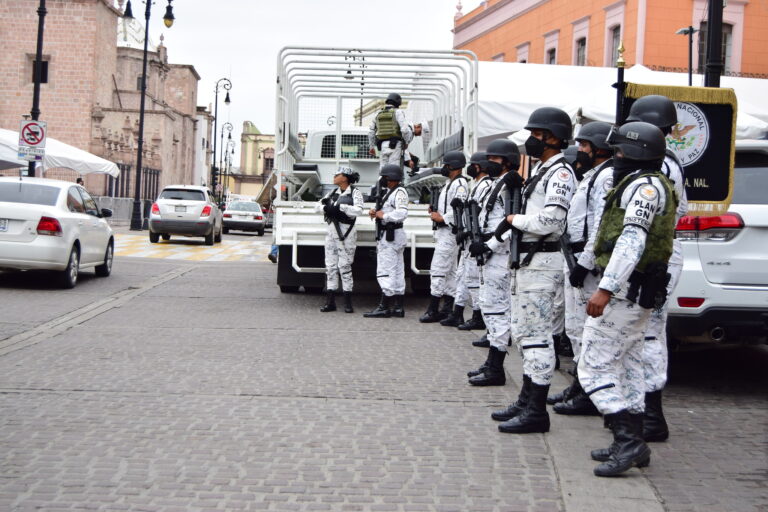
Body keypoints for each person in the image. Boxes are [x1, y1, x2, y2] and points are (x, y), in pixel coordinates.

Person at [579, 121, 677, 477]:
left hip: (626, 292)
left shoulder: (644, 190)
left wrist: (605, 288)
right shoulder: (647, 184)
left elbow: (631, 239)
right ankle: (633, 442)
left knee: (593, 365)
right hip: (637, 292)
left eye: (619, 151)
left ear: (634, 153)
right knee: (631, 365)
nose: (614, 157)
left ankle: (627, 439)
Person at [490, 107, 576, 435]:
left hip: (542, 262)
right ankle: (527, 399)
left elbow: (553, 220)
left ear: (553, 137)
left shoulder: (560, 174)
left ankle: (537, 410)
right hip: (529, 263)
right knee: (526, 334)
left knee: (538, 337)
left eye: (537, 135)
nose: (531, 141)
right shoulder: (544, 170)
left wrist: (515, 221)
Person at [624, 95, 688, 443]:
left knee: (650, 332)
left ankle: (652, 414)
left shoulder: (662, 164)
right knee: (640, 330)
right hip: (654, 251)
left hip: (659, 253)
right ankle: (639, 408)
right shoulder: (663, 161)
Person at [549, 121, 613, 416]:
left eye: (585, 146)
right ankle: (580, 382)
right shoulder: (592, 175)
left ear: (599, 147)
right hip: (573, 256)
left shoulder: (606, 176)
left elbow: (600, 225)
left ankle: (589, 391)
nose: (581, 151)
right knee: (575, 327)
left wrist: (585, 263)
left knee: (589, 329)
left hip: (586, 263)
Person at [465, 139, 523, 387]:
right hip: (490, 253)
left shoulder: (511, 184)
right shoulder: (497, 184)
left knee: (498, 309)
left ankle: (497, 366)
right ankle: (492, 361)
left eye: (494, 159)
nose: (488, 163)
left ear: (507, 161)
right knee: (488, 305)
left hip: (499, 254)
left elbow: (514, 222)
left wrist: (489, 244)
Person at [419, 151, 469, 323]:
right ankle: (447, 308)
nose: (443, 168)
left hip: (450, 232)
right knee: (449, 272)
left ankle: (433, 308)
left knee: (438, 269)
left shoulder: (460, 184)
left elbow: (459, 208)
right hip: (444, 232)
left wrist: (442, 218)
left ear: (453, 166)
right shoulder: (450, 183)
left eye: (446, 165)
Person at [451, 152, 492, 331]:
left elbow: (480, 214)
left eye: (473, 164)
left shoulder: (486, 185)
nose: (471, 167)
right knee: (462, 276)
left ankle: (478, 315)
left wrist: (468, 231)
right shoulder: (476, 185)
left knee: (474, 279)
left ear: (480, 166)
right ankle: (457, 312)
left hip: (476, 238)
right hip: (468, 239)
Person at [315, 167, 364, 313]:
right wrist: (326, 208)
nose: (335, 176)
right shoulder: (332, 192)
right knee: (330, 267)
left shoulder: (355, 192)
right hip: (331, 233)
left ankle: (347, 303)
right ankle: (330, 302)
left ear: (345, 177)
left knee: (345, 266)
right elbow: (316, 206)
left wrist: (341, 208)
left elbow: (359, 210)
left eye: (338, 174)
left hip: (346, 233)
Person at [364, 164, 409, 318]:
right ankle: (398, 307)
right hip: (392, 235)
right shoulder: (390, 192)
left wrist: (383, 216)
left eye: (384, 177)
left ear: (390, 178)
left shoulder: (399, 191)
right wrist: (377, 213)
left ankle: (384, 306)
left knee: (386, 271)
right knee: (396, 271)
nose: (382, 179)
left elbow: (402, 212)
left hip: (391, 236)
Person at [368, 93, 413, 168]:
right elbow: (405, 130)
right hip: (395, 145)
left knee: (383, 169)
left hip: (382, 145)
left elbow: (371, 132)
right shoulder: (398, 112)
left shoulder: (378, 113)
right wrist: (406, 142)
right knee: (393, 169)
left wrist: (371, 147)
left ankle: (381, 179)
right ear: (398, 102)